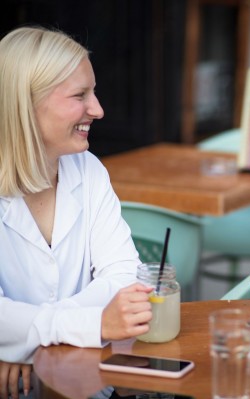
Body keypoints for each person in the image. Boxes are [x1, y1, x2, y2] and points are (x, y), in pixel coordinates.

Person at [0, 27, 154, 398]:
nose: (98, 109)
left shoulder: (88, 169)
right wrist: (94, 323)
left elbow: (123, 276)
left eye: (94, 92)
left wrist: (25, 343)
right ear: (26, 103)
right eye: (79, 95)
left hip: (86, 381)